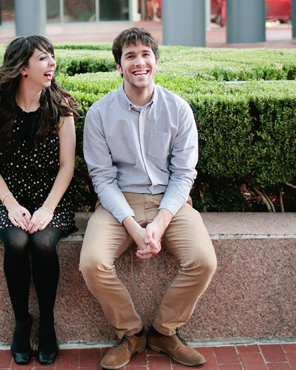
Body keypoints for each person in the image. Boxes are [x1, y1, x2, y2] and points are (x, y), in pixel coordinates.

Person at [79, 28, 217, 368]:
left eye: (145, 54)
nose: (139, 62)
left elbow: (184, 174)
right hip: (117, 204)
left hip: (170, 201)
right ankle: (131, 333)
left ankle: (164, 332)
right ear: (118, 66)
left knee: (203, 260)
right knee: (92, 263)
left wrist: (159, 223)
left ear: (155, 60)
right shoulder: (100, 113)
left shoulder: (178, 109)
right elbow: (102, 177)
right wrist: (134, 226)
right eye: (130, 56)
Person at [0, 36, 80, 366]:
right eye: (43, 58)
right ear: (22, 68)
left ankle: (47, 323)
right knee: (18, 241)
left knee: (44, 243)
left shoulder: (61, 108)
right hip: (8, 196)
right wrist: (10, 203)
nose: (52, 63)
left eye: (52, 57)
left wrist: (48, 208)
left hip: (53, 196)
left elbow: (67, 166)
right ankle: (22, 321)